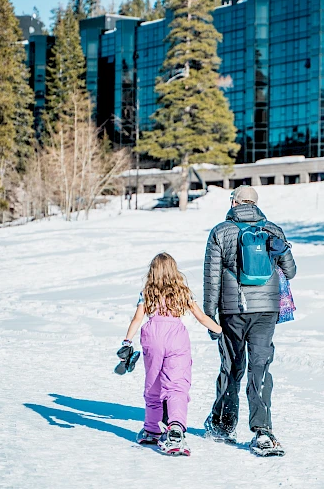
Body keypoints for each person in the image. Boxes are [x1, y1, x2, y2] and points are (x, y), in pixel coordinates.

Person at [203, 185, 296, 456]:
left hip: (233, 310)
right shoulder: (273, 230)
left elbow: (212, 278)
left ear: (234, 202)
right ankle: (263, 431)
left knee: (231, 366)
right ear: (255, 203)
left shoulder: (220, 231)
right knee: (260, 367)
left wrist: (210, 317)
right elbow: (290, 271)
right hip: (266, 310)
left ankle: (223, 425)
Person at [117, 252, 222, 456]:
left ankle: (152, 429)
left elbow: (137, 318)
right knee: (176, 386)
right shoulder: (182, 291)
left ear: (152, 272)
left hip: (152, 338)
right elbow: (200, 316)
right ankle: (175, 428)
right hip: (177, 339)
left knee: (154, 385)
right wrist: (220, 330)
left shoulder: (147, 292)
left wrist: (127, 341)